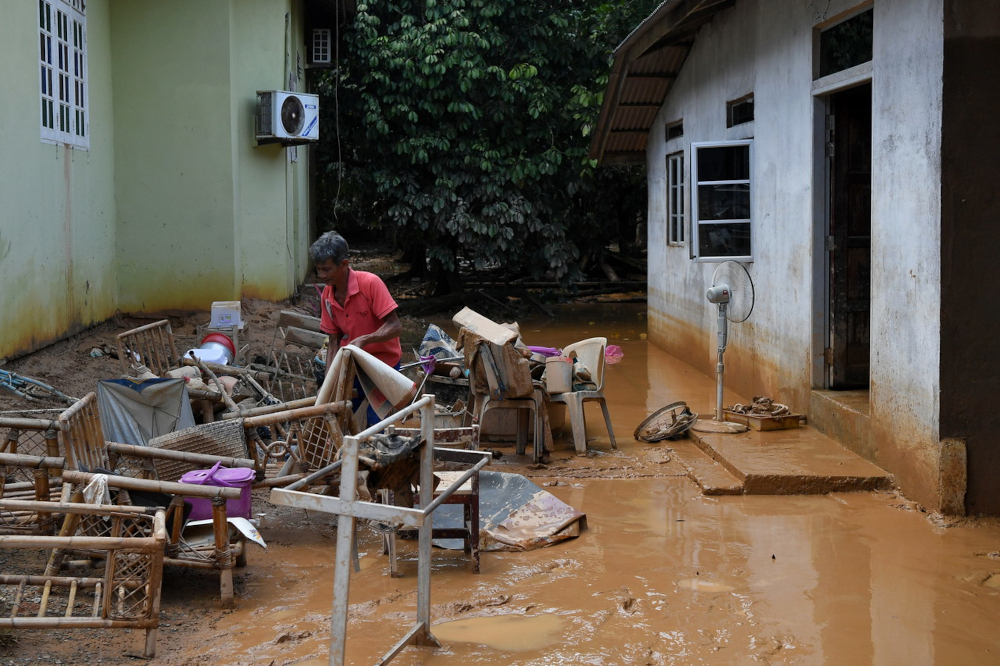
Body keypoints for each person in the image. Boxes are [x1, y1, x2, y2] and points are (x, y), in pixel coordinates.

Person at [309, 231, 402, 426]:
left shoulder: (370, 284)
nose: (322, 276)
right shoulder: (327, 295)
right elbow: (333, 342)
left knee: (378, 425)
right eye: (318, 270)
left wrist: (365, 340)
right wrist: (328, 385)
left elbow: (395, 326)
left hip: (383, 366)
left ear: (344, 264)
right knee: (337, 416)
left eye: (326, 269)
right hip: (353, 367)